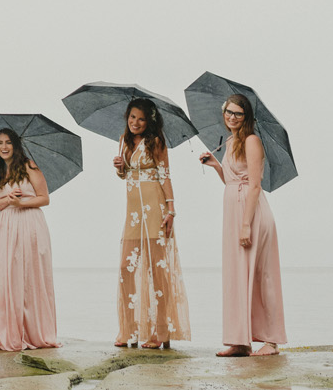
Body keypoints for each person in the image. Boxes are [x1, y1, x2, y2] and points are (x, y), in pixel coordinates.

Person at [200, 93, 287, 357]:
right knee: (236, 275)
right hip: (233, 211)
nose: (231, 117)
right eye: (229, 111)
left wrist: (246, 225)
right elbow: (232, 180)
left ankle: (270, 341)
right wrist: (216, 165)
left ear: (246, 117)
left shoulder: (251, 140)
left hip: (252, 213)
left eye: (238, 113)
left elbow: (254, 185)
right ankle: (240, 341)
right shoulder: (230, 141)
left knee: (261, 275)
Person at [113, 98, 191, 349]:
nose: (135, 122)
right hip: (133, 212)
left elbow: (164, 175)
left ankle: (161, 331)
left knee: (158, 270)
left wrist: (171, 210)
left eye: (141, 119)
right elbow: (126, 174)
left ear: (150, 122)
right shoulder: (123, 141)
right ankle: (129, 330)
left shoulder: (156, 142)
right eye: (132, 117)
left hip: (155, 208)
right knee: (127, 266)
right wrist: (119, 167)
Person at [0, 128, 59, 351]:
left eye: (8, 142)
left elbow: (44, 198)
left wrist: (21, 203)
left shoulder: (29, 166)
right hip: (6, 226)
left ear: (16, 145)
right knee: (7, 277)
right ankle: (9, 332)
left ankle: (35, 333)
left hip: (29, 223)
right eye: (0, 143)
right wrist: (8, 200)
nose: (4, 147)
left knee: (29, 277)